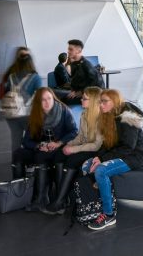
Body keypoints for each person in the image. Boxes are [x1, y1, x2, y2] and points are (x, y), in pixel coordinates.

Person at [82, 89, 143, 231]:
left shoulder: (128, 118)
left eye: (105, 102)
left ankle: (108, 214)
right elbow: (108, 144)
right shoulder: (108, 115)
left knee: (101, 171)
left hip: (134, 156)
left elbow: (127, 147)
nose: (101, 105)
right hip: (120, 153)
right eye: (100, 102)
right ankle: (102, 200)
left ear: (115, 102)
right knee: (87, 165)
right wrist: (98, 157)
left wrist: (102, 159)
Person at [11, 88, 78, 211]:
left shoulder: (63, 111)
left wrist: (59, 143)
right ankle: (20, 196)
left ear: (53, 98)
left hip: (59, 148)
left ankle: (41, 198)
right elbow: (26, 141)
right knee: (18, 154)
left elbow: (74, 132)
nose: (47, 102)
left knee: (40, 157)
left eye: (49, 99)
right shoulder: (35, 115)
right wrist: (39, 146)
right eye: (43, 100)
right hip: (42, 148)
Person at [44, 86, 104, 214]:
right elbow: (80, 137)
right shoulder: (84, 114)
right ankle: (62, 197)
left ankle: (59, 201)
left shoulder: (101, 118)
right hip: (85, 146)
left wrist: (74, 149)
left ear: (93, 101)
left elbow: (96, 145)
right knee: (59, 155)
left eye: (85, 99)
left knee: (72, 160)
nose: (81, 100)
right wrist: (68, 145)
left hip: (97, 151)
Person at [1, 52, 43, 152]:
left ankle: (16, 159)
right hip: (27, 113)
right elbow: (40, 96)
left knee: (16, 139)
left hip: (11, 112)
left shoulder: (11, 76)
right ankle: (33, 157)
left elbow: (5, 92)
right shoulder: (35, 77)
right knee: (33, 138)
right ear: (31, 63)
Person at [64, 39, 100, 105]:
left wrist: (81, 92)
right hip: (78, 92)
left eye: (71, 49)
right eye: (68, 49)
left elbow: (97, 83)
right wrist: (74, 91)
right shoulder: (74, 64)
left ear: (79, 51)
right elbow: (76, 81)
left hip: (89, 96)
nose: (68, 51)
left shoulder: (86, 65)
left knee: (62, 101)